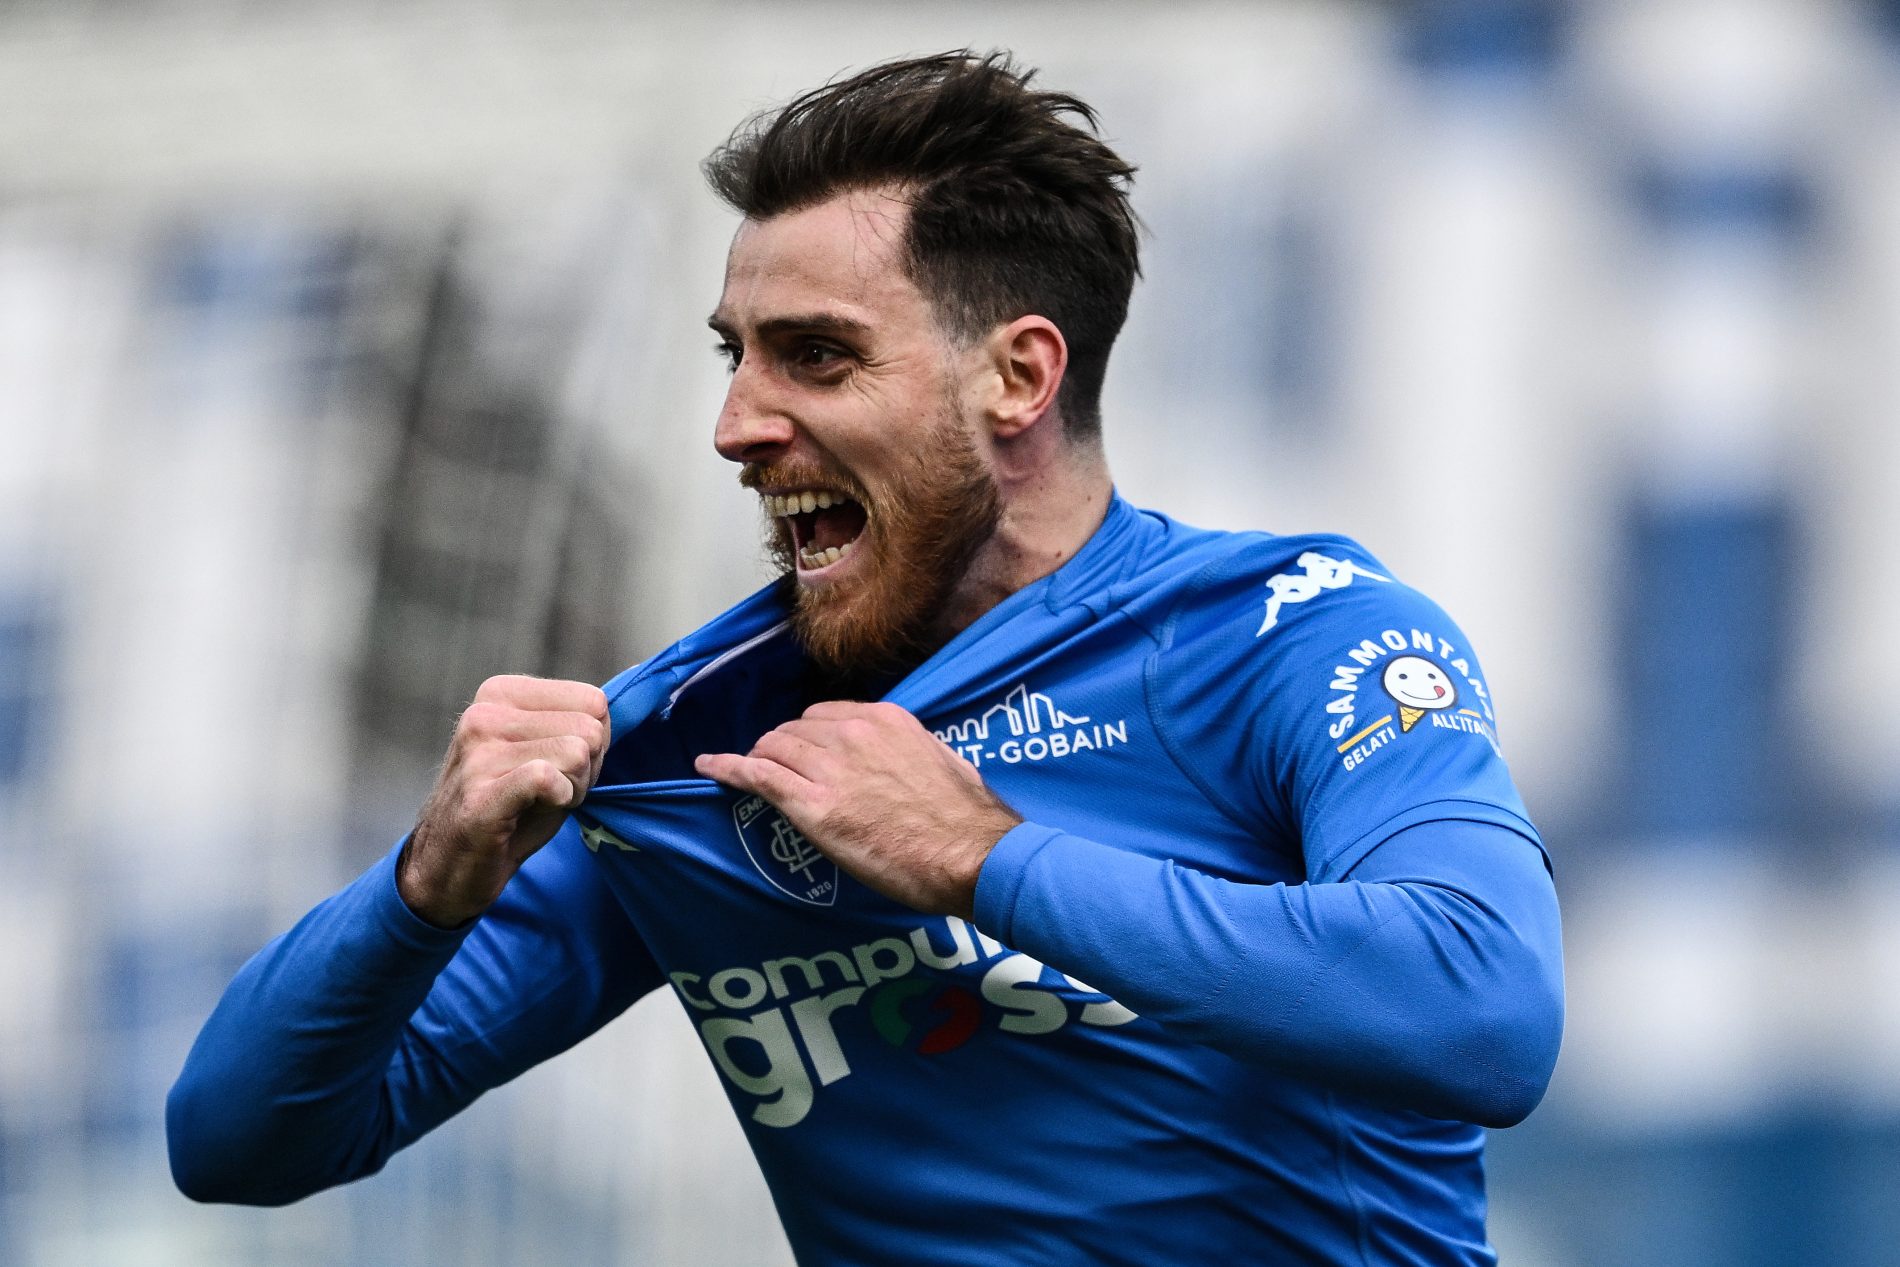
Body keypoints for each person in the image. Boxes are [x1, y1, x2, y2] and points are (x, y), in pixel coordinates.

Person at [168, 51, 1563, 1265]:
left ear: (1018, 376)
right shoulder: (699, 744)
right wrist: (423, 888)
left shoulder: (1288, 633)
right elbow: (240, 1142)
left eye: (817, 358)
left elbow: (1484, 1012)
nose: (736, 424)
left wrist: (984, 860)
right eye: (735, 356)